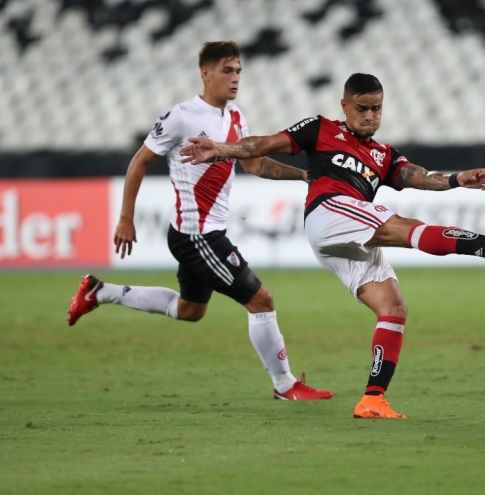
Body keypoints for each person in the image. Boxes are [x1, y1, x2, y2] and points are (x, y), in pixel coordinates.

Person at [179, 73, 485, 419]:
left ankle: (372, 399)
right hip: (329, 211)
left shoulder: (384, 155)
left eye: (377, 108)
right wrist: (220, 147)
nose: (370, 116)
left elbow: (420, 177)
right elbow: (262, 145)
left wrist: (456, 179)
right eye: (362, 108)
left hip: (346, 234)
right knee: (405, 229)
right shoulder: (320, 129)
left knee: (393, 307)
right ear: (345, 106)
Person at [66, 41, 332, 402]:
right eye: (227, 70)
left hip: (202, 234)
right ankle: (285, 385)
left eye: (238, 70)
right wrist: (126, 218)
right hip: (198, 237)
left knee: (190, 311)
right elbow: (139, 162)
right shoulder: (182, 115)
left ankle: (101, 291)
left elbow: (255, 165)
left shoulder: (236, 117)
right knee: (261, 301)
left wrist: (302, 176)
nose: (235, 77)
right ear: (205, 73)